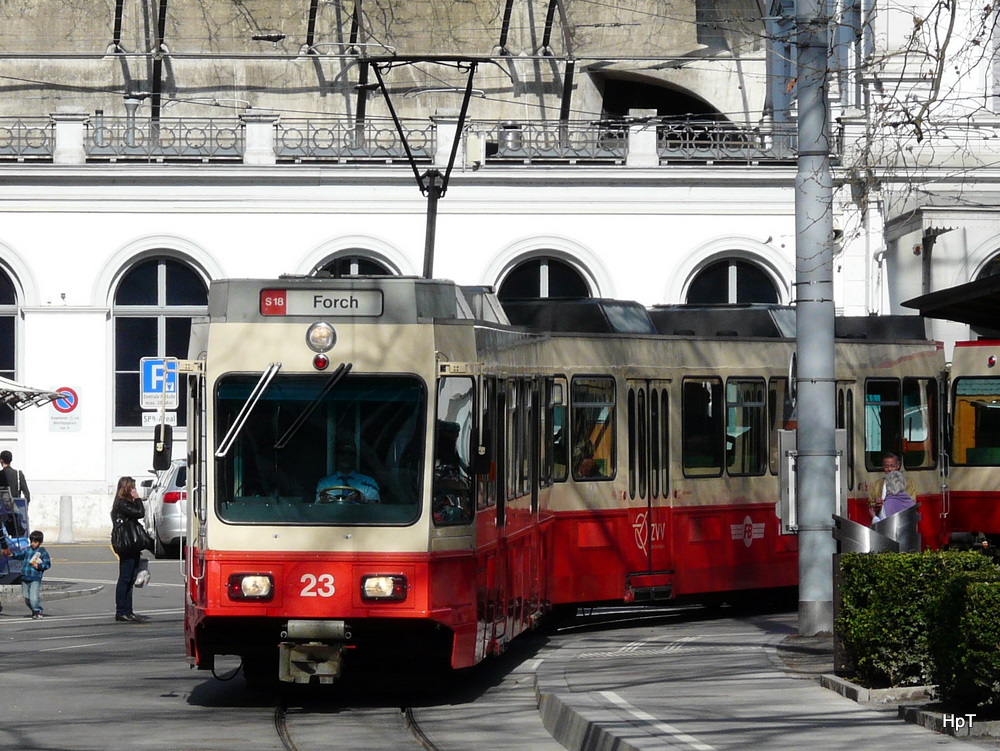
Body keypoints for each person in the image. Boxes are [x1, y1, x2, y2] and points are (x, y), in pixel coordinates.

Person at [111, 476, 147, 623]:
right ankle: (121, 610)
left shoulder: (124, 504)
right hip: (127, 545)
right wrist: (137, 499)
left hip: (132, 544)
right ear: (127, 489)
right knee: (125, 578)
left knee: (131, 578)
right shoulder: (122, 504)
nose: (135, 490)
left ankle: (128, 610)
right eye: (132, 488)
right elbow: (140, 512)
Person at [2, 530, 51, 618]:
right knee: (26, 598)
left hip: (35, 577)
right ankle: (33, 609)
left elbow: (47, 564)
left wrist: (39, 566)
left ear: (40, 542)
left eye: (35, 542)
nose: (32, 543)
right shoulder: (28, 550)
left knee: (33, 596)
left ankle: (38, 610)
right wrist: (12, 554)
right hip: (25, 577)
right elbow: (20, 554)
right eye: (31, 541)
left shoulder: (42, 552)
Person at [315, 442, 380, 503]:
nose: (346, 457)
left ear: (355, 457)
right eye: (342, 453)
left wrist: (362, 499)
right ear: (336, 456)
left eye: (350, 454)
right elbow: (317, 510)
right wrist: (324, 501)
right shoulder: (324, 483)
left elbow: (376, 508)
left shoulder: (369, 482)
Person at [868, 452, 915, 522]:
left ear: (898, 466)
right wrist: (876, 504)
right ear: (883, 467)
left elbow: (912, 501)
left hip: (902, 519)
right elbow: (870, 505)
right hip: (882, 520)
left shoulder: (908, 482)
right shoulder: (877, 484)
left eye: (892, 466)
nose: (890, 469)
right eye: (886, 467)